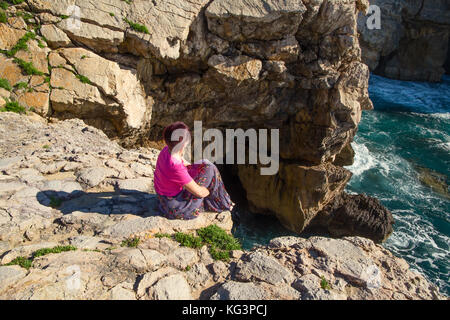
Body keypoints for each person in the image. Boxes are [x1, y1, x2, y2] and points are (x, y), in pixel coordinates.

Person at [153, 121, 233, 220]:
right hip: (175, 207)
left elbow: (183, 163)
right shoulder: (175, 166)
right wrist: (209, 190)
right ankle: (221, 203)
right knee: (207, 184)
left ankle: (223, 201)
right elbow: (200, 192)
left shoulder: (167, 150)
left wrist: (196, 170)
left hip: (163, 195)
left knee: (207, 165)